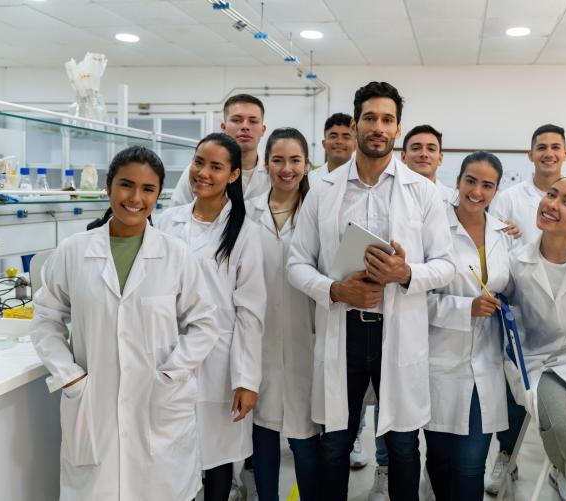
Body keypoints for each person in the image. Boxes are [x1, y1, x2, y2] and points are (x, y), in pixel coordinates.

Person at [287, 81, 455, 501]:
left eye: (387, 119)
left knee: (401, 443)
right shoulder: (322, 189)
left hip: (397, 333)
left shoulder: (424, 192)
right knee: (335, 443)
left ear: (397, 129)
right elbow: (295, 263)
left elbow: (447, 265)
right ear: (355, 123)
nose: (378, 127)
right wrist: (334, 290)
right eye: (370, 118)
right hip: (343, 329)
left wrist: (405, 273)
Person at [30, 146, 219, 501]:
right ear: (108, 186)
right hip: (92, 405)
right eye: (126, 185)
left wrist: (171, 373)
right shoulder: (73, 250)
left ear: (159, 195)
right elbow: (46, 318)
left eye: (148, 189)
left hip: (159, 403)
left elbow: (205, 324)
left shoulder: (176, 255)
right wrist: (69, 375)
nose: (135, 198)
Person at [156, 133, 266, 501]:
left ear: (234, 175)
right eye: (199, 162)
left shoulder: (246, 232)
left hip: (220, 360)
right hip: (169, 352)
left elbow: (251, 310)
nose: (203, 173)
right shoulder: (166, 221)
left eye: (216, 167)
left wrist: (247, 379)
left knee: (217, 458)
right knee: (173, 454)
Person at [486, 124, 566, 496]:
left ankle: (562, 465)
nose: (548, 153)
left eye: (555, 147)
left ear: (565, 153)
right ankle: (507, 454)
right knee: (516, 389)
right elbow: (495, 247)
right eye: (541, 147)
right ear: (530, 154)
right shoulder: (508, 198)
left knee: (564, 393)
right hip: (519, 313)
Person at [505, 176, 566, 500]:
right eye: (551, 194)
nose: (551, 204)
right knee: (563, 431)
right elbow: (504, 323)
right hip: (542, 365)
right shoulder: (516, 262)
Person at [424, 152, 511, 500]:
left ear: (496, 190)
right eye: (470, 181)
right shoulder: (433, 230)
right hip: (440, 360)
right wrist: (466, 308)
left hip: (486, 363)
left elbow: (514, 287)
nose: (477, 191)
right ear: (457, 182)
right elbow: (416, 299)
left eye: (487, 185)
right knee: (440, 459)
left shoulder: (505, 234)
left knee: (471, 464)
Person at [245, 127, 321, 500]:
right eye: (278, 160)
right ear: (265, 163)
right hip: (258, 337)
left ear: (307, 165)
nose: (286, 168)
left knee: (306, 436)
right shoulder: (246, 212)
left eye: (295, 160)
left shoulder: (318, 211)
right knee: (263, 431)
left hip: (306, 337)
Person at [171, 94, 269, 206]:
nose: (245, 126)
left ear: (263, 130)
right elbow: (176, 214)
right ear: (223, 127)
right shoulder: (198, 171)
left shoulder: (273, 172)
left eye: (253, 121)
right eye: (237, 120)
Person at [401, 124, 454, 204]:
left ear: (440, 158)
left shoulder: (454, 200)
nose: (424, 154)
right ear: (403, 157)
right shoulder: (387, 195)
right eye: (416, 148)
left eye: (431, 149)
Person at [309, 113, 356, 187]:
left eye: (346, 137)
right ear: (324, 144)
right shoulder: (310, 180)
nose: (339, 141)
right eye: (333, 136)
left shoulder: (365, 181)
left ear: (355, 145)